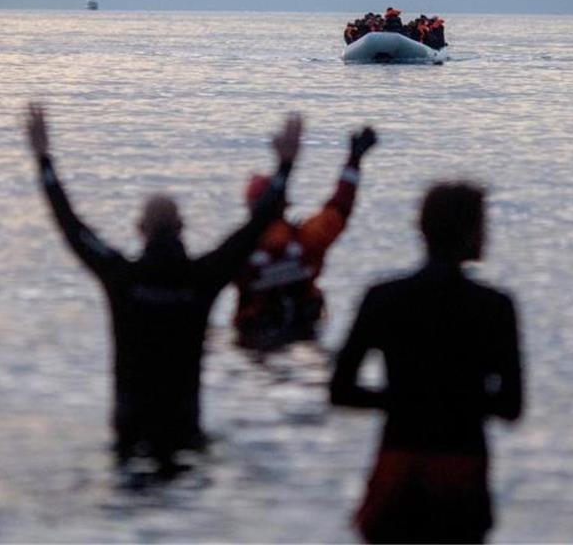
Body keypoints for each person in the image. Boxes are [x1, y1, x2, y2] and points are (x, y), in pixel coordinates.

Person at [26, 102, 303, 474]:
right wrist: (285, 166)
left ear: (139, 230)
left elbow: (72, 227)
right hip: (184, 428)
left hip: (129, 429)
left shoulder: (121, 277)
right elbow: (252, 230)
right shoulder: (202, 277)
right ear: (182, 228)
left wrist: (44, 161)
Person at [330, 182, 523, 544]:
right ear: (470, 234)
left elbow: (341, 391)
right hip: (462, 474)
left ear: (423, 229)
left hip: (396, 467)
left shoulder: (382, 297)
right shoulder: (495, 307)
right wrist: (459, 401)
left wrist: (402, 400)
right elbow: (511, 407)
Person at [233, 127, 378, 350]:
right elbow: (340, 206)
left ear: (250, 207)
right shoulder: (307, 240)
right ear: (283, 204)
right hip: (304, 332)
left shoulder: (237, 252)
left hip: (254, 338)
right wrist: (354, 159)